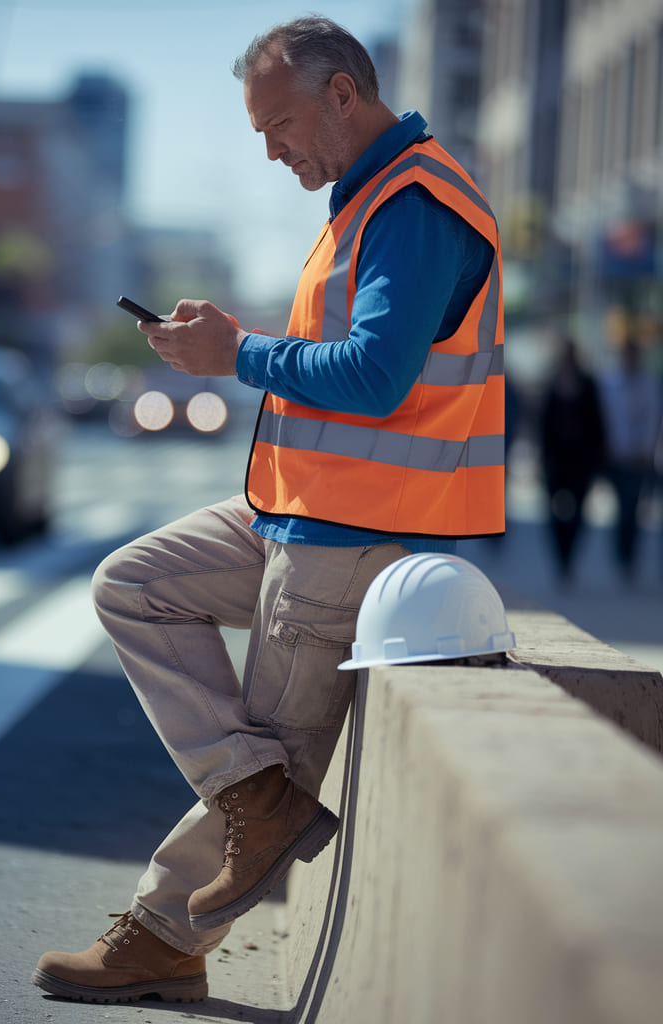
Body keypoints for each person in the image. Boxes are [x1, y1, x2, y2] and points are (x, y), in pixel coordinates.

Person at [33, 15, 504, 1005]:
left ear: (343, 95)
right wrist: (232, 347)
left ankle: (164, 933)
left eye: (279, 124)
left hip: (353, 534)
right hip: (295, 513)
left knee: (280, 759)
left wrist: (235, 353)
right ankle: (252, 796)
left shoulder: (412, 205)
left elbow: (375, 378)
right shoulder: (367, 199)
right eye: (258, 132)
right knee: (134, 583)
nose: (271, 149)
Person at [538, 336, 606, 584]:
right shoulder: (552, 383)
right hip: (556, 462)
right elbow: (543, 425)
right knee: (554, 513)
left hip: (582, 462)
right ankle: (561, 558)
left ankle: (570, 557)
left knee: (578, 512)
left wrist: (599, 458)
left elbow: (598, 422)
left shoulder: (588, 384)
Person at [597, 335, 662, 583]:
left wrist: (646, 449)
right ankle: (621, 554)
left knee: (633, 509)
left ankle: (629, 557)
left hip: (639, 458)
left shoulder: (649, 384)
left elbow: (651, 419)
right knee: (621, 508)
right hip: (616, 456)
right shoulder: (610, 383)